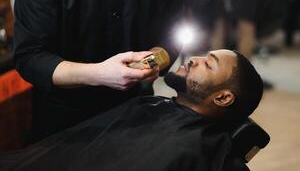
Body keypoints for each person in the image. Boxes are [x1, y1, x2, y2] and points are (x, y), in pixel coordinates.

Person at [0, 49, 263, 171]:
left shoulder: (192, 150)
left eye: (209, 63)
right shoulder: (152, 104)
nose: (195, 58)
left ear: (223, 97)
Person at [12, 0, 183, 141]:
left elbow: (174, 37)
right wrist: (99, 74)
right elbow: (30, 57)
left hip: (137, 114)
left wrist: (150, 62)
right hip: (66, 128)